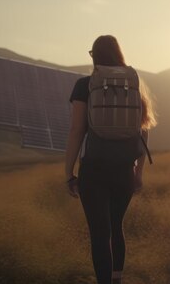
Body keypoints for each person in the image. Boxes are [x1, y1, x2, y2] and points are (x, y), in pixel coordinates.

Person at [65, 35, 157, 284]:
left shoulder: (85, 85)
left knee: (99, 232)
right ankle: (117, 279)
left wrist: (68, 173)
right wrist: (138, 173)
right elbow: (144, 128)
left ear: (94, 56)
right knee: (116, 226)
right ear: (119, 55)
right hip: (124, 169)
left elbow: (76, 131)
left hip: (94, 168)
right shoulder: (132, 84)